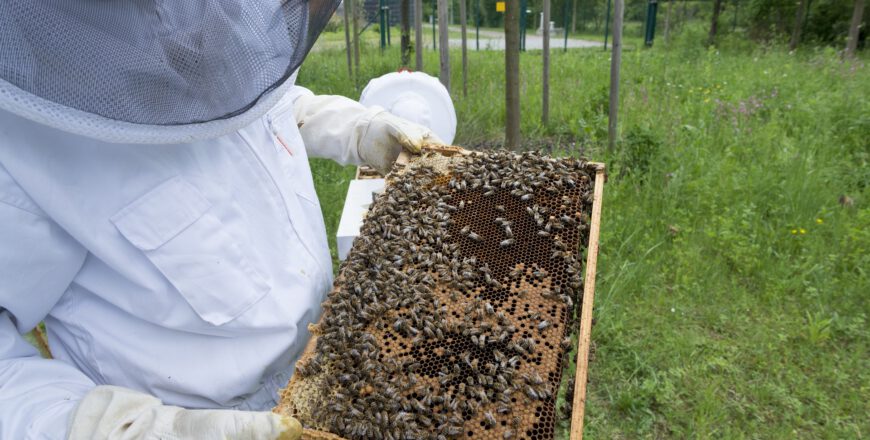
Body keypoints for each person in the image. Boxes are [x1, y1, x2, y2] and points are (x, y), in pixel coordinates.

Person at [0, 2, 442, 439]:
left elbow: (258, 101)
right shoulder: (22, 143)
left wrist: (353, 127)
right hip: (205, 419)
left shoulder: (197, 22)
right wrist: (116, 426)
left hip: (333, 352)